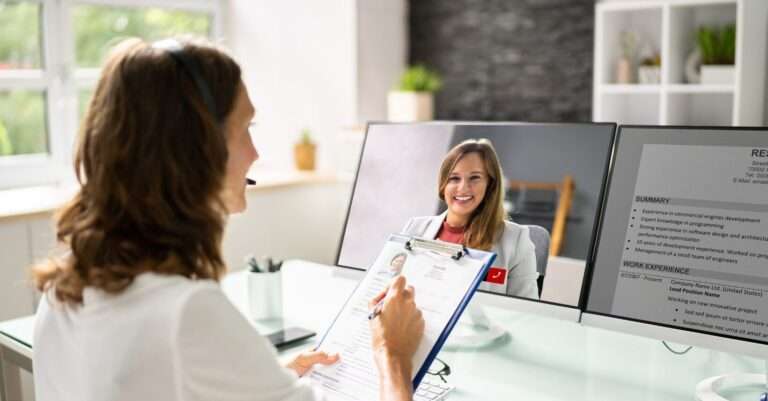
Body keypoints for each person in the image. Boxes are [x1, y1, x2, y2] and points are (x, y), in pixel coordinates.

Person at [31, 37, 424, 401]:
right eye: (245, 129)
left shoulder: (65, 285)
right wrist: (392, 354)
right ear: (196, 151)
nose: (255, 153)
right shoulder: (187, 312)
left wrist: (261, 379)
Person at [401, 139, 539, 299]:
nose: (463, 188)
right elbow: (389, 284)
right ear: (443, 184)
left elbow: (526, 309)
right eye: (454, 178)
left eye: (474, 178)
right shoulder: (414, 227)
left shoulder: (516, 239)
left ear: (490, 185)